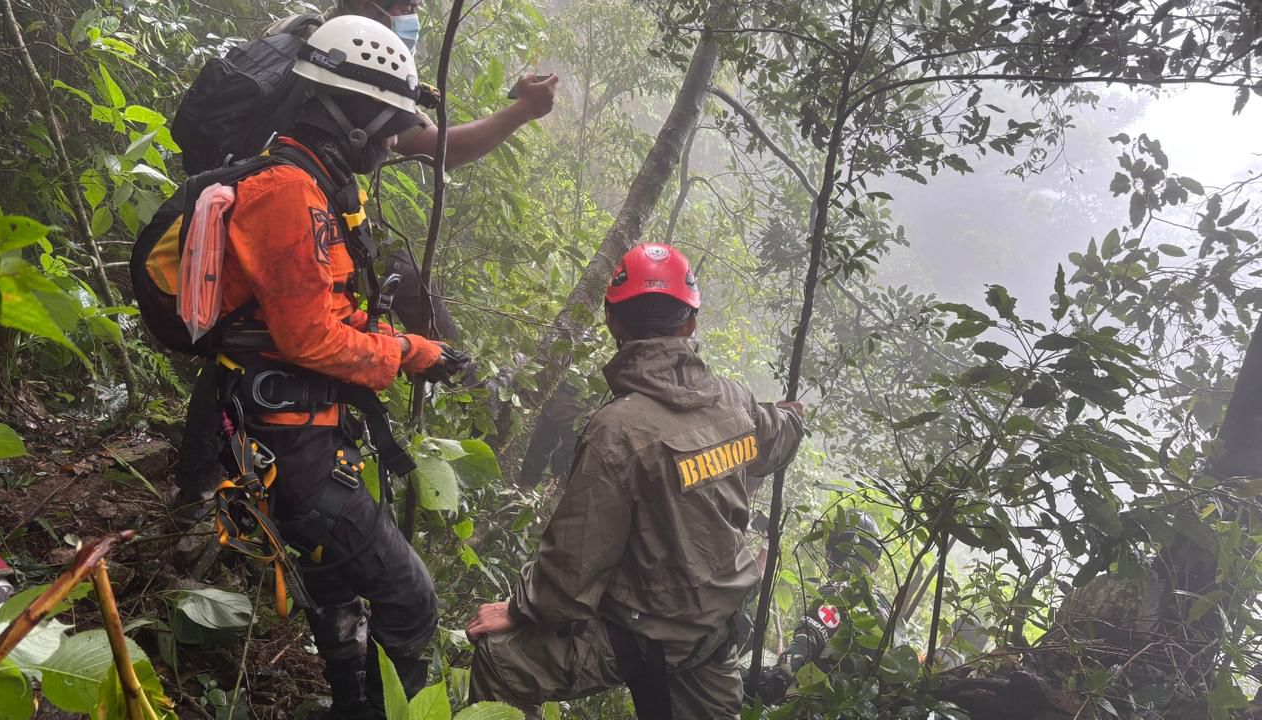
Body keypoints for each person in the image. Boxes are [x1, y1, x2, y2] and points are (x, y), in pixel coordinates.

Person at [171, 17, 463, 718]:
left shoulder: (316, 191)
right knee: (410, 597)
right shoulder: (285, 193)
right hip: (289, 444)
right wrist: (404, 353)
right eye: (388, 122)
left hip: (304, 435)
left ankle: (352, 708)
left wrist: (417, 349)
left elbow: (328, 314)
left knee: (333, 584)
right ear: (348, 110)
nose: (393, 140)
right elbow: (309, 341)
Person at [465, 243, 806, 719]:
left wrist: (519, 609)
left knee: (501, 665)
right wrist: (793, 418)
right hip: (714, 634)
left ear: (612, 322)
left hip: (643, 634)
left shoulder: (616, 431)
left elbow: (570, 573)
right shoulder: (736, 403)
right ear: (691, 323)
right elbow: (779, 438)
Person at [265, 0, 559, 170]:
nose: (412, 19)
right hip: (290, 195)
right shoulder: (356, 67)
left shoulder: (295, 27)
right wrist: (523, 110)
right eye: (407, 7)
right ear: (369, 5)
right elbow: (441, 150)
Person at [749, 508, 889, 703]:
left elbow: (804, 645)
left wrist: (769, 681)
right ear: (874, 563)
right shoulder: (887, 608)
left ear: (832, 554)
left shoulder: (838, 591)